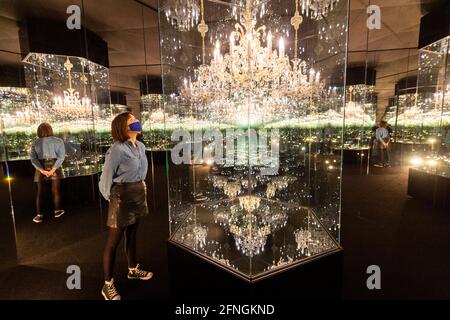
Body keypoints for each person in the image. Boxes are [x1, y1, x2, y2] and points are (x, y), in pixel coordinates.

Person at [99, 112, 153, 300]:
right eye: (132, 120)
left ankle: (132, 269)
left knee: (132, 235)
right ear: (123, 127)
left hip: (138, 193)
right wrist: (111, 199)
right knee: (113, 242)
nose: (136, 121)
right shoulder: (117, 149)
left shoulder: (141, 146)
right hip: (121, 197)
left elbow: (141, 173)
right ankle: (107, 284)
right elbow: (105, 178)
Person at [30, 123, 66, 223]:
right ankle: (57, 211)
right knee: (55, 191)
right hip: (54, 165)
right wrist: (53, 169)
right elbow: (61, 157)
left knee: (40, 193)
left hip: (40, 166)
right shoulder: (58, 141)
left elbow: (33, 158)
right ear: (50, 130)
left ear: (38, 131)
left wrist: (41, 169)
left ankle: (39, 215)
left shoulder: (35, 142)